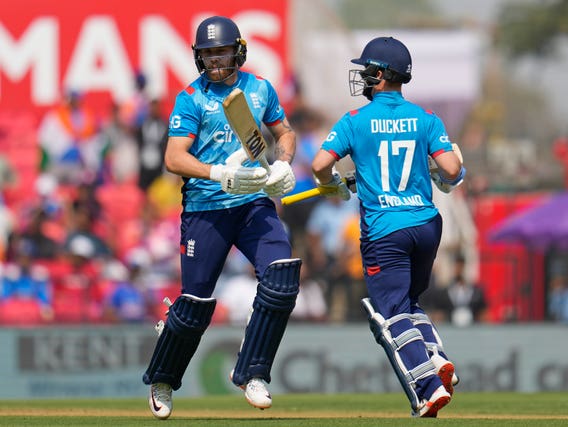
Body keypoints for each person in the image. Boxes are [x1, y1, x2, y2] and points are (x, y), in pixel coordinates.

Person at [142, 16, 299, 420]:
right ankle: (163, 376)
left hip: (252, 205)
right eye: (208, 53)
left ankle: (253, 372)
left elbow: (284, 133)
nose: (215, 60)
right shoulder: (191, 98)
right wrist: (218, 173)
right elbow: (173, 158)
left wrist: (283, 163)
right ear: (198, 57)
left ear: (238, 51)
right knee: (194, 306)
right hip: (205, 210)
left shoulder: (260, 88)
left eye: (222, 51)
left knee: (282, 277)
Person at [311, 36, 465, 418]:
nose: (362, 77)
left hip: (385, 229)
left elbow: (318, 166)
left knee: (390, 312)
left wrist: (332, 182)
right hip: (426, 225)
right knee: (409, 303)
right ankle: (436, 355)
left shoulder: (354, 121)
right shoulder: (426, 118)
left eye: (367, 71)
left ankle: (429, 386)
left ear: (380, 75)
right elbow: (451, 171)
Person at [423, 253, 488, 326]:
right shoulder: (444, 293)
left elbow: (484, 313)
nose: (459, 270)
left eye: (461, 266)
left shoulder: (476, 292)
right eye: (457, 266)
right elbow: (437, 313)